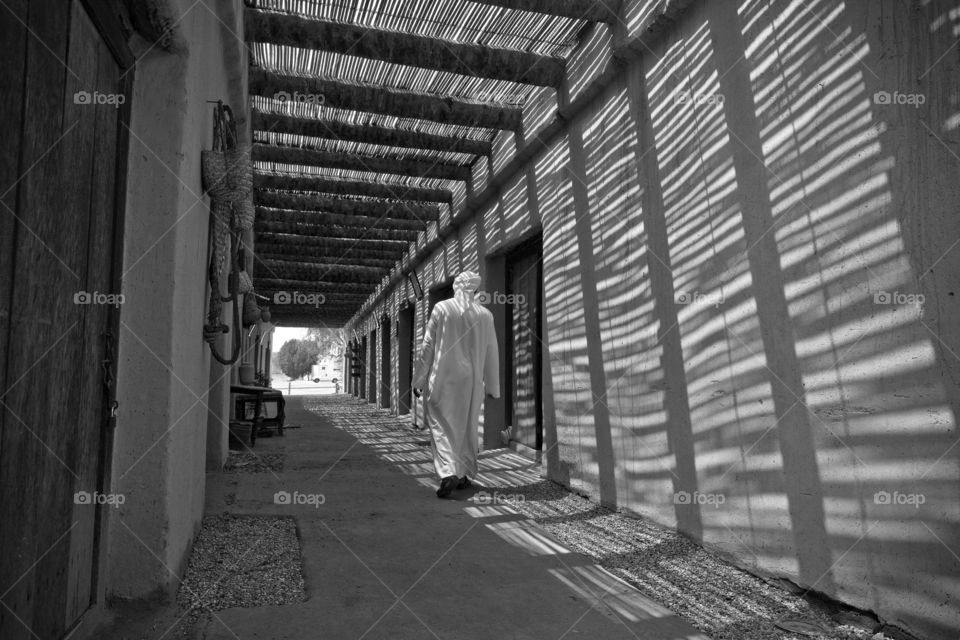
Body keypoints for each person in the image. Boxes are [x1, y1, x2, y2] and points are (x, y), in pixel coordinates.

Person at [413, 271, 500, 498]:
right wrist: (493, 387)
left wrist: (419, 379)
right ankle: (462, 474)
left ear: (456, 287)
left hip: (443, 379)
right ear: (476, 291)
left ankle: (449, 472)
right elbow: (492, 352)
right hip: (471, 383)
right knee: (467, 427)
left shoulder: (442, 309)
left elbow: (428, 347)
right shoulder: (486, 315)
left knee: (441, 427)